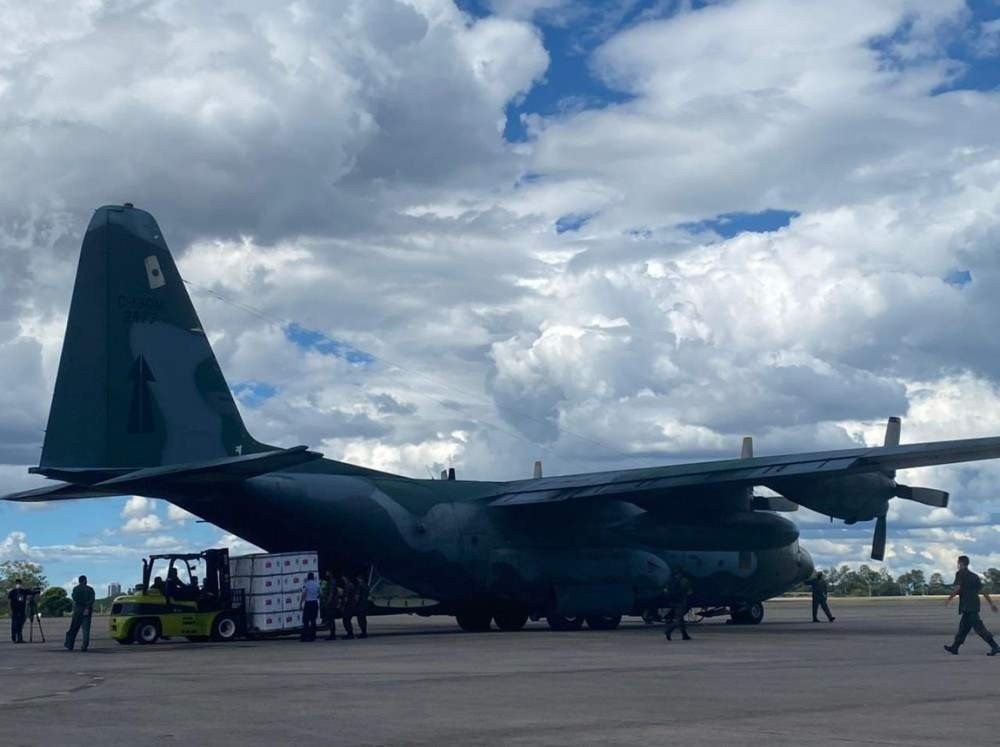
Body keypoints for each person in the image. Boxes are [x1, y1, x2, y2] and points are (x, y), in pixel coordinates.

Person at [944, 555, 1000, 656]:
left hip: (967, 606)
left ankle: (995, 646)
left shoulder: (960, 574)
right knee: (963, 628)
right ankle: (955, 647)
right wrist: (991, 604)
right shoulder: (974, 576)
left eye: (958, 563)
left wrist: (949, 599)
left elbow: (957, 589)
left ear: (961, 563)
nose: (957, 565)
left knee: (979, 628)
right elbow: (983, 591)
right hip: (973, 605)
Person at [64, 575, 96, 652]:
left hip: (78, 610)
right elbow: (92, 599)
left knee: (74, 628)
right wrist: (87, 606)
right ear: (85, 580)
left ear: (79, 581)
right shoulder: (90, 589)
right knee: (86, 630)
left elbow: (74, 598)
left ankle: (70, 645)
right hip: (87, 610)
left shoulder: (76, 589)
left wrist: (81, 603)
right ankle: (84, 646)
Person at [664, 572, 693, 641]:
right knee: (679, 619)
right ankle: (669, 631)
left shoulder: (671, 581)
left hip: (673, 602)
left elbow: (666, 591)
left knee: (680, 618)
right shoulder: (684, 580)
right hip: (681, 602)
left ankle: (684, 635)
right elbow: (689, 592)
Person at [300, 571, 320, 642]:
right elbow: (319, 593)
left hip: (308, 603)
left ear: (308, 577)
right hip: (315, 603)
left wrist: (300, 603)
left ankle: (305, 636)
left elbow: (304, 594)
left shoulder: (306, 584)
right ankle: (313, 636)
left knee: (306, 620)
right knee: (313, 620)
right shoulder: (316, 584)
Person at [7, 579, 28, 643]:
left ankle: (19, 638)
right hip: (14, 610)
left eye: (19, 583)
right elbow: (9, 601)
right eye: (17, 583)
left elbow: (29, 595)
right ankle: (15, 638)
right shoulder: (12, 592)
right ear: (15, 584)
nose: (18, 584)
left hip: (22, 610)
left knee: (20, 625)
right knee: (14, 625)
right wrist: (10, 610)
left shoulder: (23, 591)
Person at [321, 571, 337, 641]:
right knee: (330, 619)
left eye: (327, 573)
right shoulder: (331, 581)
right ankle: (332, 634)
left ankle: (332, 635)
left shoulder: (331, 582)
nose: (326, 574)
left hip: (331, 603)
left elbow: (331, 593)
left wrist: (328, 602)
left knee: (331, 619)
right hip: (331, 603)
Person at [341, 575, 357, 639]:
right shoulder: (351, 585)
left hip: (348, 605)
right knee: (347, 620)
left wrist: (343, 606)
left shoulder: (348, 586)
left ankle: (350, 634)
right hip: (351, 605)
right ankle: (350, 633)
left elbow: (346, 598)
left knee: (346, 620)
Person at [354, 572, 370, 639]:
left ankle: (363, 633)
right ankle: (364, 632)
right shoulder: (366, 586)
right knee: (364, 619)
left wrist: (355, 603)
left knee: (360, 619)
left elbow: (357, 596)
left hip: (360, 605)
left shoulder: (359, 586)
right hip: (365, 604)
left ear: (360, 579)